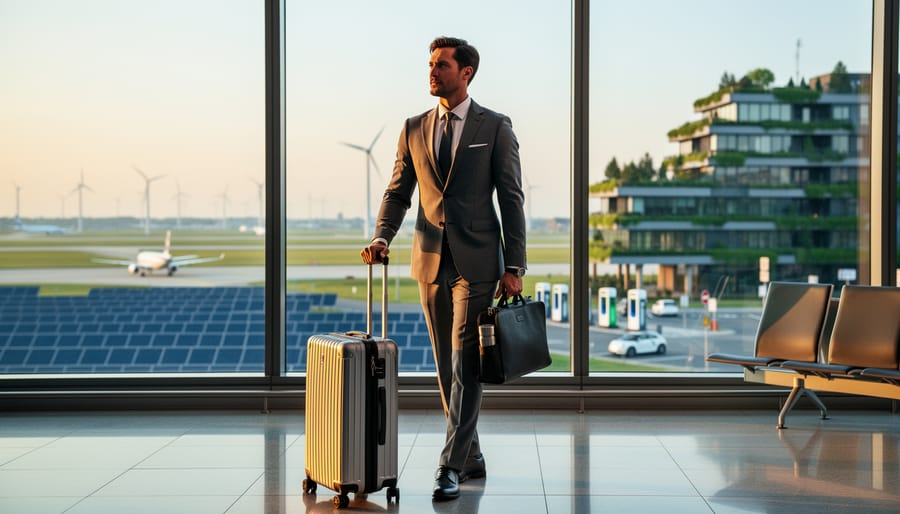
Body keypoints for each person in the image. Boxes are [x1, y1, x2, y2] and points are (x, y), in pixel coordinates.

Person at [360, 36, 527, 501]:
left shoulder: (495, 126)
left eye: (441, 65)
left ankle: (448, 466)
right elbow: (398, 191)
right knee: (443, 366)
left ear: (466, 72)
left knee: (463, 363)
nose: (432, 72)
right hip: (430, 260)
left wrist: (515, 264)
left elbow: (511, 198)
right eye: (430, 64)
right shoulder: (413, 127)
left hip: (477, 263)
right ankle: (470, 456)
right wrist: (381, 235)